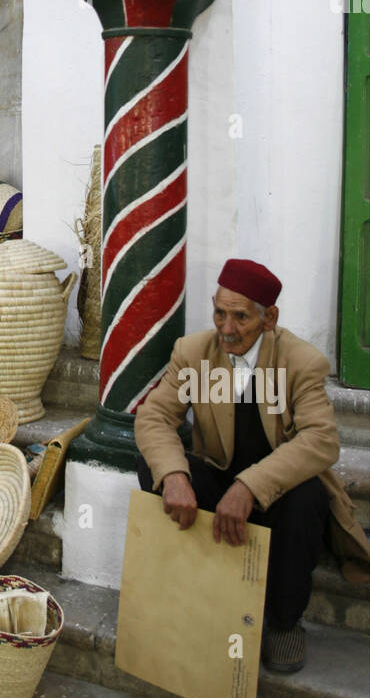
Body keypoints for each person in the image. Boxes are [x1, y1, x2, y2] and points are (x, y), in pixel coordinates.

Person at [134, 258, 370, 674]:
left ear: (269, 318)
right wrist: (174, 477)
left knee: (309, 497)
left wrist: (248, 488)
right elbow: (154, 418)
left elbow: (321, 440)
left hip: (274, 493)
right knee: (155, 464)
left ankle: (283, 622)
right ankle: (199, 597)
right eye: (219, 313)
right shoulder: (194, 353)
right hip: (218, 479)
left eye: (240, 316)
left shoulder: (302, 362)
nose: (226, 328)